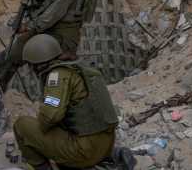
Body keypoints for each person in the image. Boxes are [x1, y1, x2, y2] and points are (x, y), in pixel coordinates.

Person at [13, 34, 122, 170]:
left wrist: (41, 127)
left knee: (22, 125)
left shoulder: (57, 76)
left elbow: (49, 117)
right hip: (106, 145)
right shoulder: (77, 67)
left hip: (86, 151)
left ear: (36, 63)